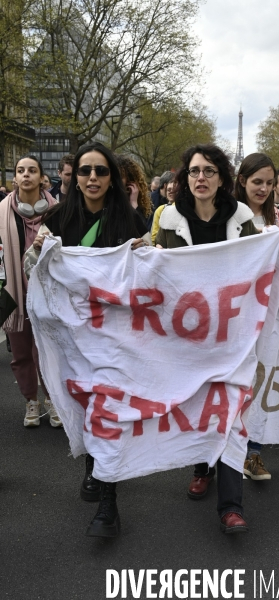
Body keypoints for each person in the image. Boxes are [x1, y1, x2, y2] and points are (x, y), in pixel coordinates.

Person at [32, 142, 150, 538]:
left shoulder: (131, 221)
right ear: (75, 176)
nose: (93, 178)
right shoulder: (57, 219)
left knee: (109, 411)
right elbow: (40, 274)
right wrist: (38, 253)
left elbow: (146, 278)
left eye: (101, 171)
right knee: (87, 407)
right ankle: (93, 468)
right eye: (85, 171)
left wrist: (146, 253)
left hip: (116, 337)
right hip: (74, 337)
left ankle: (108, 505)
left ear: (112, 178)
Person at [156, 143, 259, 534]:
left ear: (222, 178)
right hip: (188, 337)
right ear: (186, 178)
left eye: (210, 171)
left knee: (231, 413)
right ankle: (202, 467)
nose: (201, 178)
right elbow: (158, 272)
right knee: (200, 405)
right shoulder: (168, 219)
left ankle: (231, 506)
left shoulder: (243, 219)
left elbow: (258, 264)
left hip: (232, 335)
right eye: (195, 171)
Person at [234, 153, 279, 481]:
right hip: (232, 317)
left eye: (270, 183)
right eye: (258, 182)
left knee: (260, 385)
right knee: (230, 386)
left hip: (267, 316)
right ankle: (217, 456)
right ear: (242, 181)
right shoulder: (225, 217)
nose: (265, 189)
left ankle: (253, 453)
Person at [0, 155, 61, 427]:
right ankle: (31, 402)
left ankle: (53, 399)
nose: (26, 175)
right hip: (15, 292)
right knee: (22, 351)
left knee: (49, 351)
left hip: (48, 294)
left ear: (41, 178)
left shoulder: (58, 211)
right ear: (15, 178)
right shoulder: (2, 210)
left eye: (32, 170)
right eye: (21, 170)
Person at [114, 154, 153, 227]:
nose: (115, 180)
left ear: (128, 180)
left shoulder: (134, 203)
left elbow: (142, 232)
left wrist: (134, 204)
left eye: (120, 177)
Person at [151, 180, 176, 245]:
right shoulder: (160, 209)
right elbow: (154, 233)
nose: (171, 191)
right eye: (168, 190)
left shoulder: (184, 208)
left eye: (174, 189)